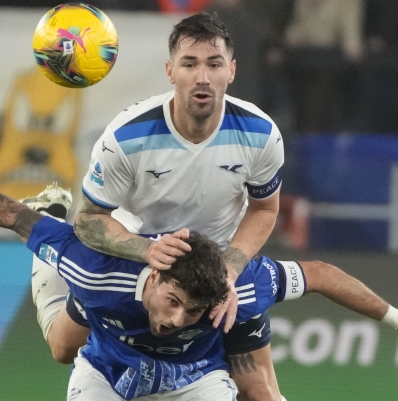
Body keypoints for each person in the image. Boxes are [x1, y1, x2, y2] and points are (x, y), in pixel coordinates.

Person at [0, 168, 398, 400]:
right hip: (105, 365)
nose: (175, 318)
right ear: (155, 274)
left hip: (193, 380)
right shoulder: (98, 271)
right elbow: (5, 213)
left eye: (191, 312)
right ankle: (52, 232)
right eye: (172, 301)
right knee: (58, 346)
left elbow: (320, 276)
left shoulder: (237, 291)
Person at [31, 12, 286, 400]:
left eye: (214, 64)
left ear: (231, 71)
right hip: (139, 263)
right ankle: (46, 232)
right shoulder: (126, 136)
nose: (203, 76)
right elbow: (90, 219)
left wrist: (230, 269)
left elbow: (264, 209)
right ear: (171, 71)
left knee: (260, 391)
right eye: (190, 63)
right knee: (63, 348)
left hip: (211, 270)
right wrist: (147, 251)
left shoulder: (261, 134)